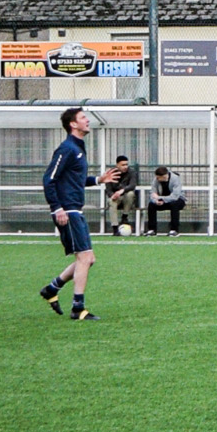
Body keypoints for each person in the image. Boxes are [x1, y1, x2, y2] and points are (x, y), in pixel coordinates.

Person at [40, 106, 99, 320]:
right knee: (84, 257)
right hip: (68, 210)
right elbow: (49, 178)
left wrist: (98, 180)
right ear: (73, 124)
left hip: (75, 209)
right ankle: (77, 309)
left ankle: (51, 289)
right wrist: (57, 207)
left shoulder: (78, 149)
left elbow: (77, 180)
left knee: (88, 258)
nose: (88, 120)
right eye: (83, 117)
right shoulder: (66, 148)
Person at [100, 153, 141, 233]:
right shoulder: (111, 173)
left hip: (126, 197)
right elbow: (108, 189)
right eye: (123, 165)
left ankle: (124, 216)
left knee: (130, 194)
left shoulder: (131, 172)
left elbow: (132, 185)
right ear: (117, 165)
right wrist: (112, 195)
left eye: (126, 164)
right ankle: (115, 228)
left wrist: (122, 190)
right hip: (116, 198)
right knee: (111, 201)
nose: (125, 166)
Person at [146, 165, 187, 235]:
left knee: (174, 204)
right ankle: (152, 229)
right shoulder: (156, 180)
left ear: (164, 176)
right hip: (162, 200)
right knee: (151, 205)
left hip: (178, 200)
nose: (157, 179)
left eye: (158, 178)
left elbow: (175, 196)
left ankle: (174, 229)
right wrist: (155, 201)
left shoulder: (175, 179)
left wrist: (160, 198)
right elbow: (152, 193)